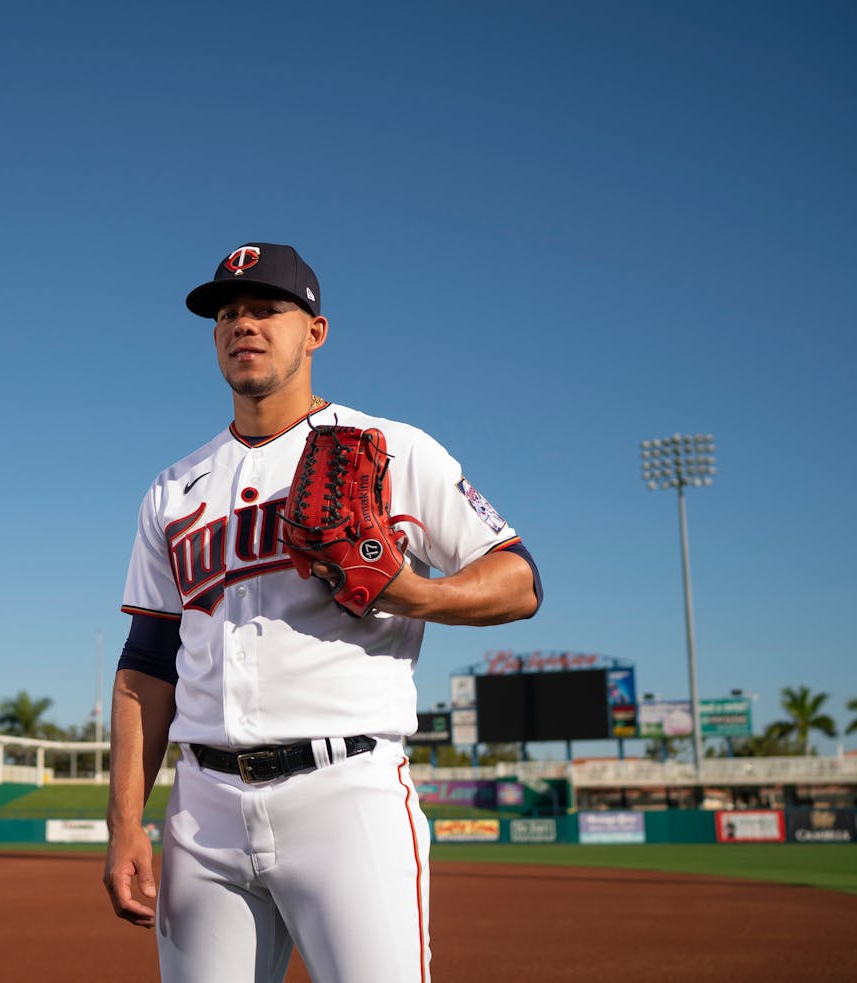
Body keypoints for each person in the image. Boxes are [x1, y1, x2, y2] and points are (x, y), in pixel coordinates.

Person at [103, 241, 542, 982]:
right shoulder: (173, 489)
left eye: (267, 309)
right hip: (202, 806)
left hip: (346, 793)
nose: (244, 324)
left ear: (315, 331)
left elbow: (518, 579)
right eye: (229, 313)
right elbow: (146, 664)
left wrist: (414, 592)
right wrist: (122, 827)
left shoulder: (391, 449)